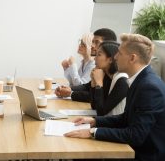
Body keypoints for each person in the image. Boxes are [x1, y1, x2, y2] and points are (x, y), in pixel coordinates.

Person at [64, 33, 165, 161]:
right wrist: (95, 121)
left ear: (132, 58)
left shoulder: (149, 87)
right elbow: (126, 118)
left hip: (144, 155)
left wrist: (93, 132)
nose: (115, 57)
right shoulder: (140, 80)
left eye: (120, 53)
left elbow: (135, 135)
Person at [55, 28, 117, 102]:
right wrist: (68, 89)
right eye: (92, 42)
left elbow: (94, 98)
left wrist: (70, 93)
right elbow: (86, 86)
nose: (92, 46)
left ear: (108, 45)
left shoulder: (114, 76)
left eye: (96, 42)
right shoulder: (100, 67)